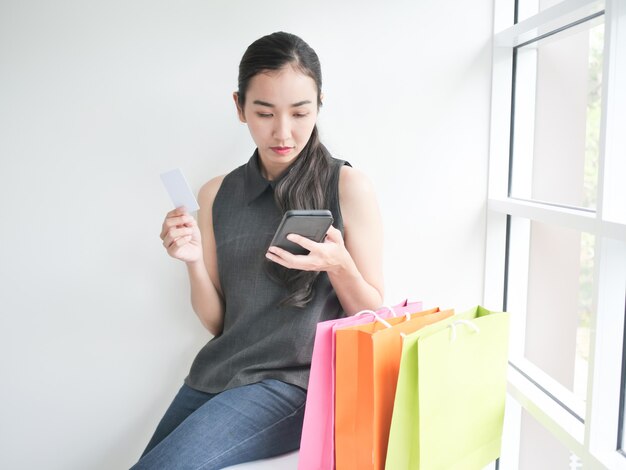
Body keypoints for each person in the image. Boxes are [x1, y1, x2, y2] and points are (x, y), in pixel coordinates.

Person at [132, 31, 384, 469]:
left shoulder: (346, 186)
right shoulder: (216, 194)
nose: (282, 132)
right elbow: (217, 323)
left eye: (300, 112)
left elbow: (374, 313)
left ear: (319, 104)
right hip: (216, 374)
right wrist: (192, 262)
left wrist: (340, 267)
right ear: (239, 107)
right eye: (264, 113)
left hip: (294, 384)